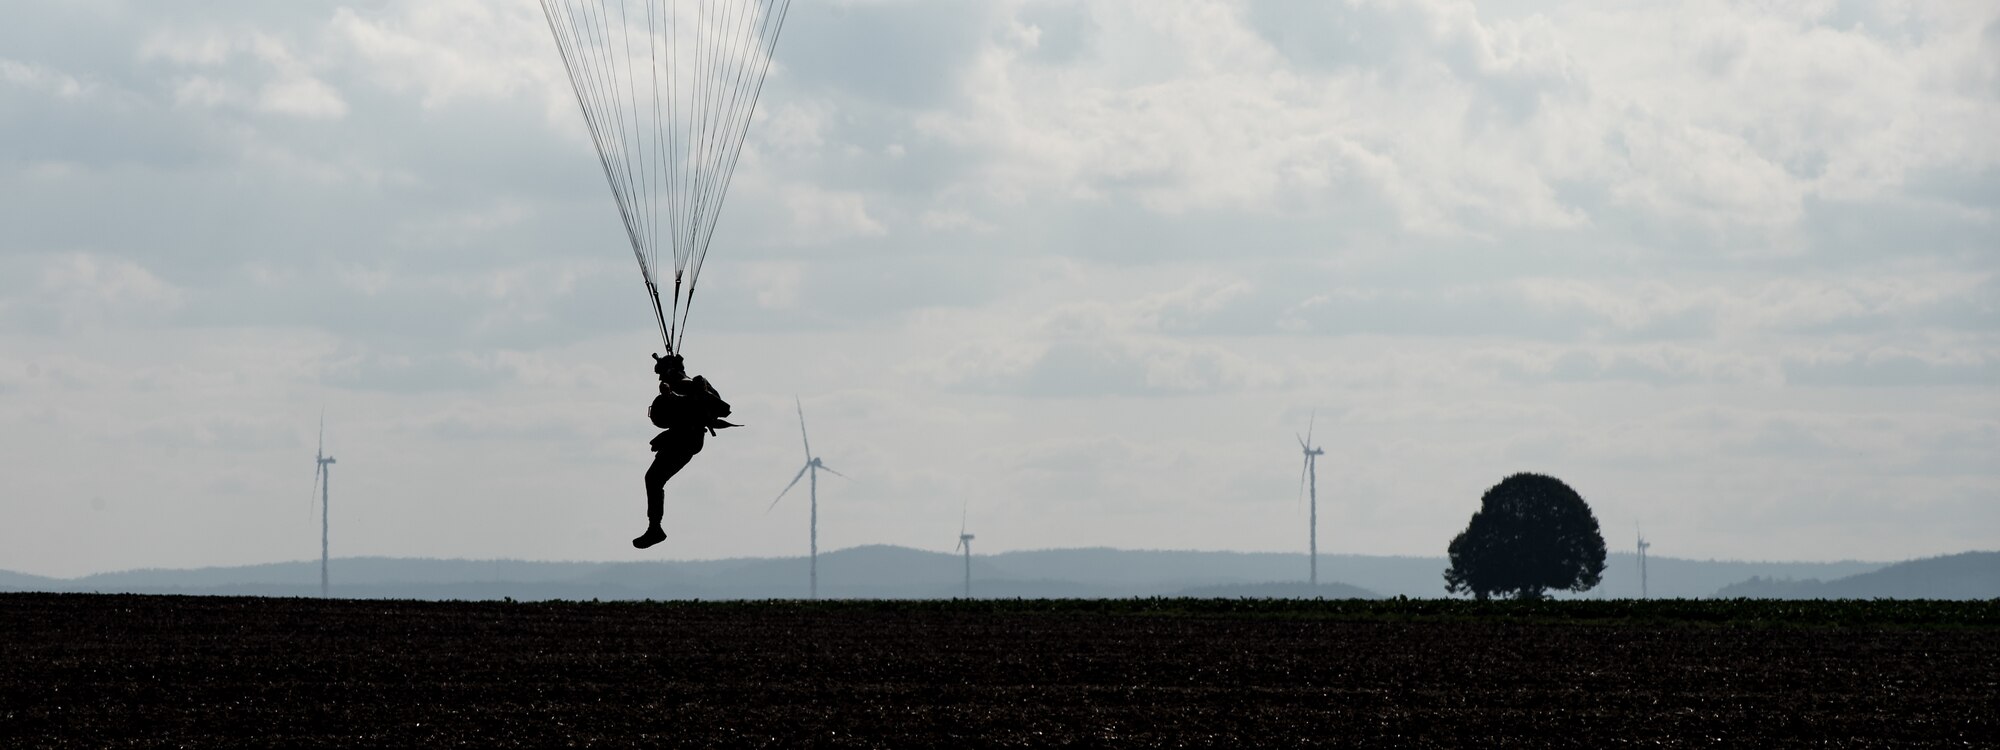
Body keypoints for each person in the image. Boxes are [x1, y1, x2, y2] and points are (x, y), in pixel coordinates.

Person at [634, 353, 734, 549]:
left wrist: (672, 397)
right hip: (681, 440)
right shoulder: (682, 386)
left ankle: (655, 528)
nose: (660, 379)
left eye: (662, 374)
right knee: (653, 479)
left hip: (685, 441)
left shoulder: (688, 386)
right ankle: (654, 527)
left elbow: (705, 407)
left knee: (653, 479)